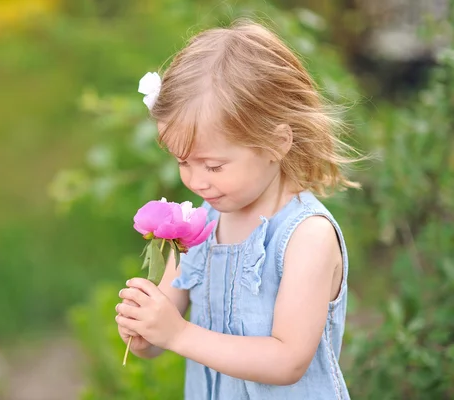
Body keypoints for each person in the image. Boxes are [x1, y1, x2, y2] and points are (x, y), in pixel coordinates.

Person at [115, 18, 360, 400]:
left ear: (277, 144)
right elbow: (167, 321)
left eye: (213, 166)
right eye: (183, 162)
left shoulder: (306, 236)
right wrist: (146, 329)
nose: (196, 181)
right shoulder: (200, 224)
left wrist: (178, 334)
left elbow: (288, 360)